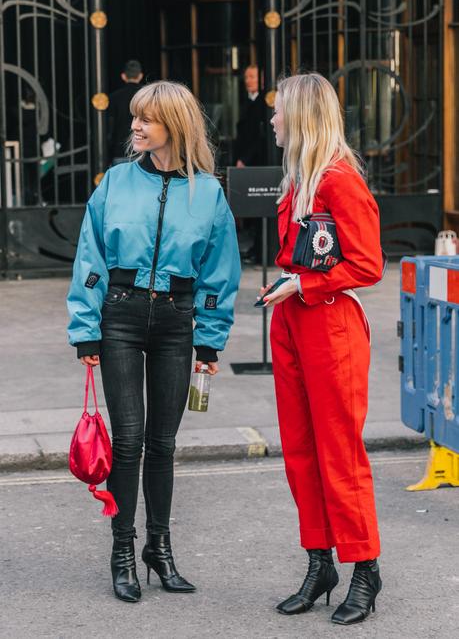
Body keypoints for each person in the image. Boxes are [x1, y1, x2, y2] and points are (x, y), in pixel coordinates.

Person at [67, 80, 241, 603]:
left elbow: (219, 272)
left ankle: (158, 549)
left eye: (147, 119)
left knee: (163, 444)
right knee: (128, 441)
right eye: (135, 117)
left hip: (176, 323)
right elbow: (90, 258)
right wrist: (86, 330)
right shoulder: (115, 183)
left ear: (175, 126)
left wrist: (209, 343)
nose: (136, 126)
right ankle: (123, 550)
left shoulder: (208, 192)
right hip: (118, 318)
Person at [260, 73, 383, 625]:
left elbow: (367, 265)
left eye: (278, 110)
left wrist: (303, 285)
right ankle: (320, 560)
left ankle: (365, 568)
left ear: (302, 116)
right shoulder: (299, 180)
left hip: (330, 324)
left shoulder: (339, 180)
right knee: (300, 450)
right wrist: (289, 287)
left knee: (339, 452)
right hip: (292, 321)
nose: (271, 120)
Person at [234, 65, 266, 263]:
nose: (248, 80)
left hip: (256, 162)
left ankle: (259, 249)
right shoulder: (246, 100)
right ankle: (255, 248)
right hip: (247, 159)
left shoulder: (263, 103)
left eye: (252, 76)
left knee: (258, 206)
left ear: (261, 80)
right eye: (246, 76)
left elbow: (259, 138)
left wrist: (244, 159)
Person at [108, 59, 144, 164]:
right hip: (143, 152)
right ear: (140, 76)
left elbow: (109, 128)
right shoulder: (147, 96)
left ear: (123, 76)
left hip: (119, 151)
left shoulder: (113, 97)